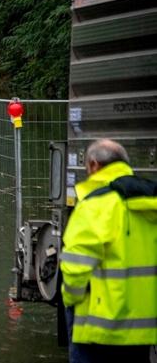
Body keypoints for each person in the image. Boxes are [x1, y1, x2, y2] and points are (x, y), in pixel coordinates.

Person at [60, 139, 157, 363]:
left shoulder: (95, 205)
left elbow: (75, 267)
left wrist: (70, 300)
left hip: (98, 330)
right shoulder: (150, 200)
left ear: (94, 165)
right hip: (142, 331)